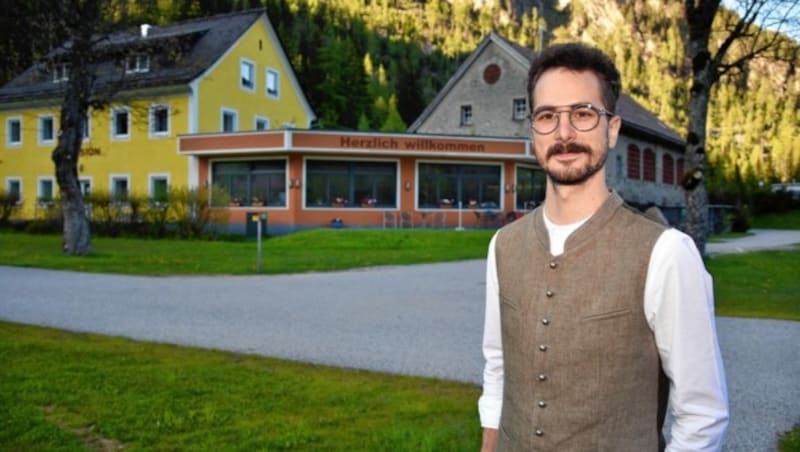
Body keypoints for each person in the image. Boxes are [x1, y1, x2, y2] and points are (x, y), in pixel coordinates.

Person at [478, 43, 729, 451]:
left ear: (611, 128)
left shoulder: (665, 253)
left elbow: (701, 415)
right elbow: (498, 367)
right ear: (533, 132)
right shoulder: (503, 246)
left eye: (582, 114)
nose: (564, 133)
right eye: (547, 117)